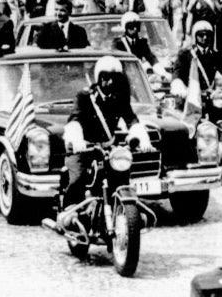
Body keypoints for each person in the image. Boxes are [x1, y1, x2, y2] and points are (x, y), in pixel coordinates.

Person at [54, 56, 152, 232]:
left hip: (108, 148)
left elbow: (130, 117)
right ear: (98, 78)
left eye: (114, 78)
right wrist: (76, 138)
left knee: (121, 175)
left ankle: (127, 210)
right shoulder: (85, 97)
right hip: (85, 147)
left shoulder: (120, 97)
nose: (110, 82)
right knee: (78, 176)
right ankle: (70, 211)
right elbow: (75, 118)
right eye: (105, 77)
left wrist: (138, 134)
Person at [171, 20, 222, 100]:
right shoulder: (185, 54)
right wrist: (178, 84)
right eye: (201, 35)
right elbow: (177, 72)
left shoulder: (214, 54)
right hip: (189, 96)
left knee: (219, 110)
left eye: (208, 35)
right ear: (195, 36)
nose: (205, 37)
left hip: (209, 96)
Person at [112, 12, 168, 77]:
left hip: (138, 76)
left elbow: (151, 58)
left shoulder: (142, 42)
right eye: (131, 26)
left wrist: (163, 73)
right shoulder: (119, 43)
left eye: (137, 26)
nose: (135, 29)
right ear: (125, 28)